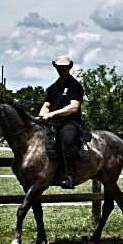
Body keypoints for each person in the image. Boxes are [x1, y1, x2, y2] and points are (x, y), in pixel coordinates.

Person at [38, 55, 85, 188]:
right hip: (52, 123)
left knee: (68, 142)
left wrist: (52, 114)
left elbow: (73, 107)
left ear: (69, 67)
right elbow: (46, 105)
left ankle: (70, 176)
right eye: (59, 67)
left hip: (70, 123)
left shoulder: (75, 86)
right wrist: (41, 115)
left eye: (64, 67)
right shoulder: (52, 88)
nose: (61, 69)